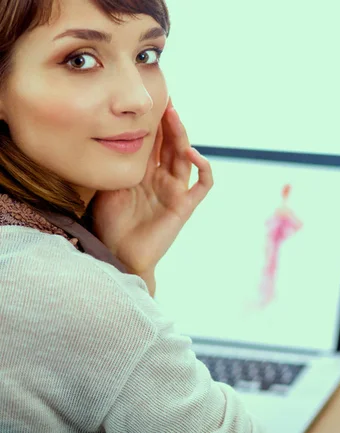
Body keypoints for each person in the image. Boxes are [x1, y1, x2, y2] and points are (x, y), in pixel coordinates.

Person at [0, 0, 263, 431]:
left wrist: (128, 269)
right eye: (80, 60)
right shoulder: (55, 288)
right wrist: (114, 291)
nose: (139, 99)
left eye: (147, 55)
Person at [256, 184, 303, 308]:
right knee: (268, 267)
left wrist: (286, 233)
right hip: (271, 241)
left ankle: (267, 295)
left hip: (275, 243)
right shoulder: (280, 206)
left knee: (270, 268)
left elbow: (297, 224)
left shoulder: (285, 207)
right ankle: (265, 294)